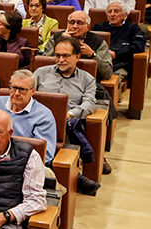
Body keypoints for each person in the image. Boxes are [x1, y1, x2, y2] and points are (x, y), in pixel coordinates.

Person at [34, 37, 102, 191]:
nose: (60, 60)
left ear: (77, 57)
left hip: (67, 120)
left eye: (65, 56)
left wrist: (71, 114)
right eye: (57, 55)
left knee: (68, 127)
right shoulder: (41, 73)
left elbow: (89, 103)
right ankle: (73, 177)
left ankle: (57, 174)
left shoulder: (87, 79)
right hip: (38, 116)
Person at [0, 69, 57, 164]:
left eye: (22, 90)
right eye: (13, 88)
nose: (16, 93)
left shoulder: (43, 115)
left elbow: (45, 154)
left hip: (23, 164)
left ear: (33, 91)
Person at [42, 10, 112, 81]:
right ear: (67, 24)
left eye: (79, 23)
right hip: (56, 78)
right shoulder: (56, 38)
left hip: (86, 82)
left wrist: (92, 55)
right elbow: (43, 64)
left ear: (87, 27)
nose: (75, 26)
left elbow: (107, 73)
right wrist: (62, 41)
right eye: (72, 22)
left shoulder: (98, 41)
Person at [92, 0, 146, 79]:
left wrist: (117, 54)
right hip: (100, 63)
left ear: (125, 15)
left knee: (113, 80)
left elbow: (139, 47)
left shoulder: (133, 28)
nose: (112, 14)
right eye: (109, 11)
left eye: (116, 11)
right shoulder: (98, 27)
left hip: (121, 64)